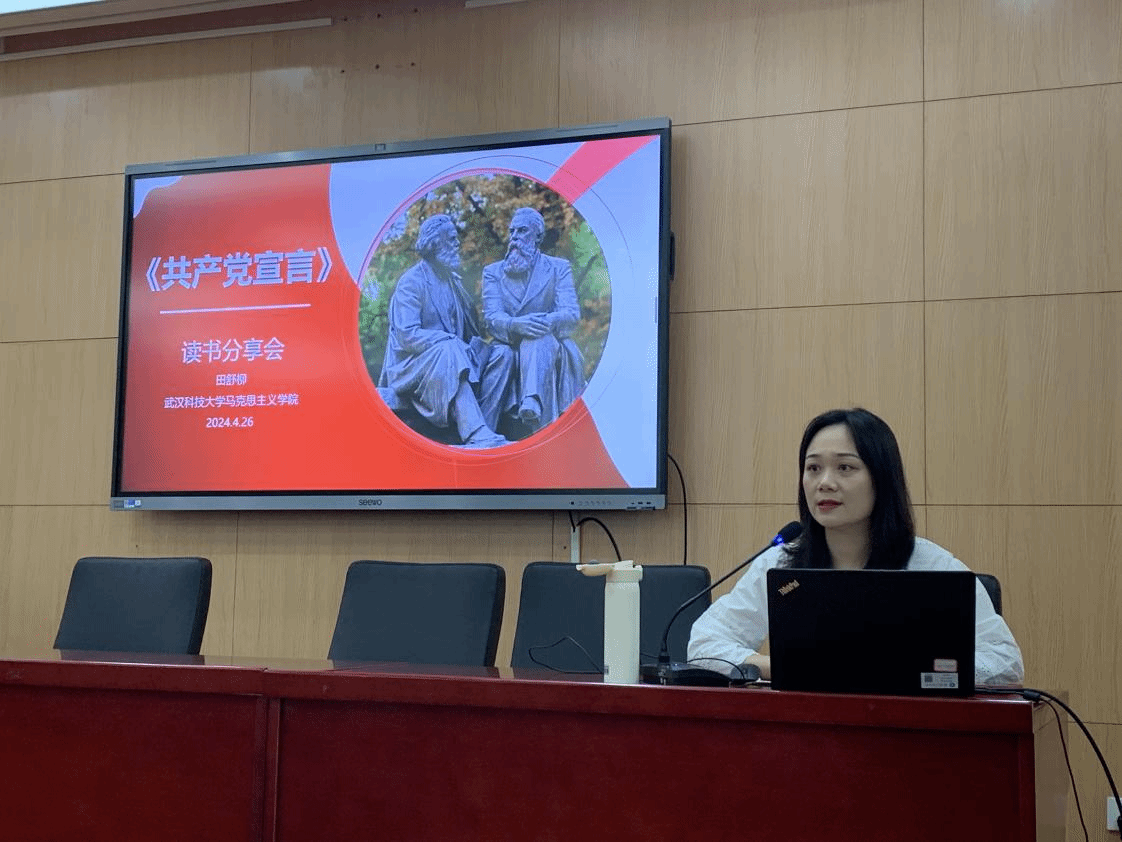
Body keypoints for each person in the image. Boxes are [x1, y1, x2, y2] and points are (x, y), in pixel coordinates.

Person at [688, 407, 1024, 686]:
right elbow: (704, 646)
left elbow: (1005, 663)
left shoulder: (932, 566)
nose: (825, 483)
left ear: (882, 478)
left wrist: (908, 669)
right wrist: (782, 666)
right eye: (813, 468)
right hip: (805, 731)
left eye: (845, 467)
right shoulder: (783, 563)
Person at [379, 214, 512, 448]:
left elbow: (470, 332)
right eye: (451, 239)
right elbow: (407, 335)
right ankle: (475, 432)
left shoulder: (454, 282)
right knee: (449, 348)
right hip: (413, 367)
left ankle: (484, 431)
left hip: (453, 358)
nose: (457, 243)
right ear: (434, 244)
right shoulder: (412, 282)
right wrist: (448, 339)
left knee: (503, 354)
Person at [481, 207, 584, 435]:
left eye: (522, 231)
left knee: (538, 339)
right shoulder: (493, 272)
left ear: (538, 237)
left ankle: (532, 401)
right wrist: (516, 325)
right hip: (508, 343)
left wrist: (543, 322)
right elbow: (492, 317)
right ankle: (524, 410)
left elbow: (571, 313)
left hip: (549, 342)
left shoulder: (558, 268)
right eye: (512, 231)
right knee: (516, 348)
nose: (514, 238)